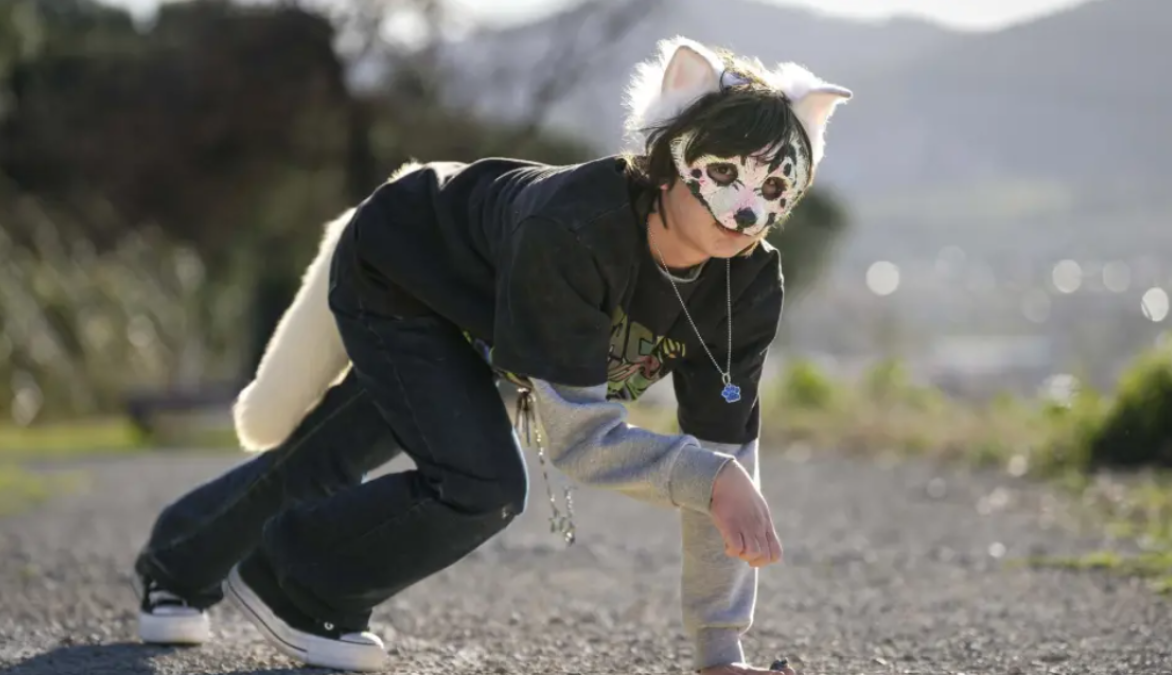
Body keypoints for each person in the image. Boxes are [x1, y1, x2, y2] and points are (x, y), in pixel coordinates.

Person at [129, 36, 851, 675]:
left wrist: (721, 653)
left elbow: (724, 454)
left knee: (336, 450)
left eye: (775, 189)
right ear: (669, 161)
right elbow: (584, 443)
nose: (748, 210)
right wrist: (712, 478)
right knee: (480, 482)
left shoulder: (748, 282)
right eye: (725, 175)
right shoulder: (577, 231)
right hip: (404, 270)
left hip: (491, 318)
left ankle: (176, 563)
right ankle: (295, 585)